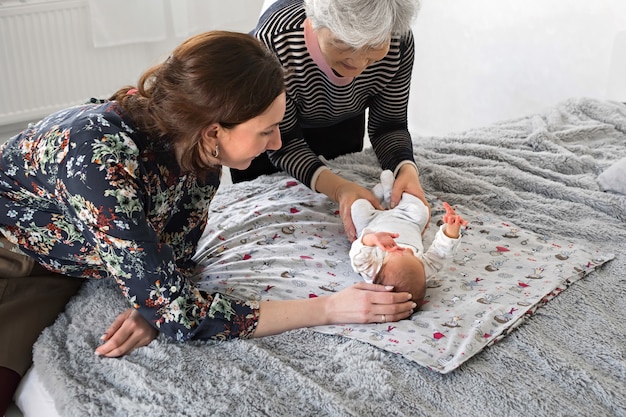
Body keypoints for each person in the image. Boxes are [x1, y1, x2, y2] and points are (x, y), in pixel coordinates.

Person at [0, 31, 417, 414]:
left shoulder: (201, 157)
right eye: (267, 131)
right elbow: (182, 315)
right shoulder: (99, 161)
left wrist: (153, 302)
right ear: (214, 131)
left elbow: (177, 259)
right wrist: (329, 308)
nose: (276, 144)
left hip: (85, 252)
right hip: (17, 258)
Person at [230, 0, 428, 242]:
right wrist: (338, 188)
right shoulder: (274, 42)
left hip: (341, 121)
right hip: (267, 136)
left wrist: (405, 169)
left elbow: (389, 126)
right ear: (314, 20)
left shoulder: (399, 40)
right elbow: (284, 145)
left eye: (374, 46)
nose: (357, 63)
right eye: (343, 43)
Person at [349, 171, 468, 311]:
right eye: (413, 256)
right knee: (420, 211)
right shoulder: (422, 271)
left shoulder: (371, 270)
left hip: (372, 222)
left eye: (397, 252)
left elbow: (357, 256)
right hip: (406, 219)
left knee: (357, 207)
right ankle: (390, 195)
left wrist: (371, 239)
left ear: (380, 269)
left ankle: (376, 198)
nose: (407, 250)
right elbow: (440, 253)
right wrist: (451, 230)